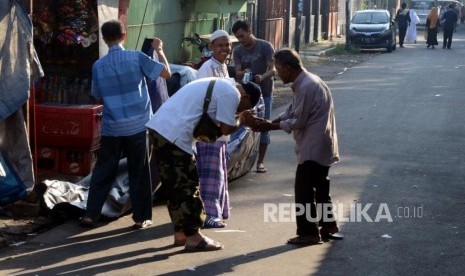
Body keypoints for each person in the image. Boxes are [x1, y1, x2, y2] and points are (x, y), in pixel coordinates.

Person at [146, 77, 261, 251]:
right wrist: (243, 119)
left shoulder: (221, 84)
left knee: (173, 185)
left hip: (161, 129)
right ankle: (194, 236)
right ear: (245, 97)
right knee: (188, 186)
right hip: (174, 136)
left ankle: (181, 233)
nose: (239, 110)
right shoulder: (232, 94)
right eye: (244, 108)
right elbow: (226, 129)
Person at [79, 20, 171, 228]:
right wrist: (159, 50)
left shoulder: (98, 65)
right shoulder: (137, 57)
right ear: (123, 36)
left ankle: (90, 214)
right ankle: (141, 218)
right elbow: (166, 73)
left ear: (103, 38)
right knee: (138, 171)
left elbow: (97, 96)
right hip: (139, 125)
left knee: (103, 170)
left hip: (112, 127)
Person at [252, 48, 340, 246]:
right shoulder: (307, 82)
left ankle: (309, 233)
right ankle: (328, 226)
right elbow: (292, 110)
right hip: (320, 144)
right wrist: (270, 121)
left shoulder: (307, 86)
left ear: (288, 68)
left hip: (313, 147)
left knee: (305, 192)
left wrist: (269, 126)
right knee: (321, 188)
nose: (277, 74)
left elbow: (298, 120)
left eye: (279, 70)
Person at [195, 30, 233, 228]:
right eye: (220, 46)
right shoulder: (207, 68)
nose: (224, 49)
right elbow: (202, 98)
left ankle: (218, 211)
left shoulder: (223, 66)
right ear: (211, 47)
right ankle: (209, 215)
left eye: (227, 45)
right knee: (210, 175)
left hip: (220, 127)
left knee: (219, 173)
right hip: (209, 129)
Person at [232, 19, 275, 173]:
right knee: (242, 127)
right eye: (238, 38)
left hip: (265, 92)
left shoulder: (265, 46)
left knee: (264, 126)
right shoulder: (237, 51)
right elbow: (237, 72)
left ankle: (260, 162)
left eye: (242, 36)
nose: (240, 40)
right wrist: (243, 73)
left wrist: (262, 77)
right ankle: (240, 163)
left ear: (250, 31)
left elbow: (273, 69)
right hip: (247, 98)